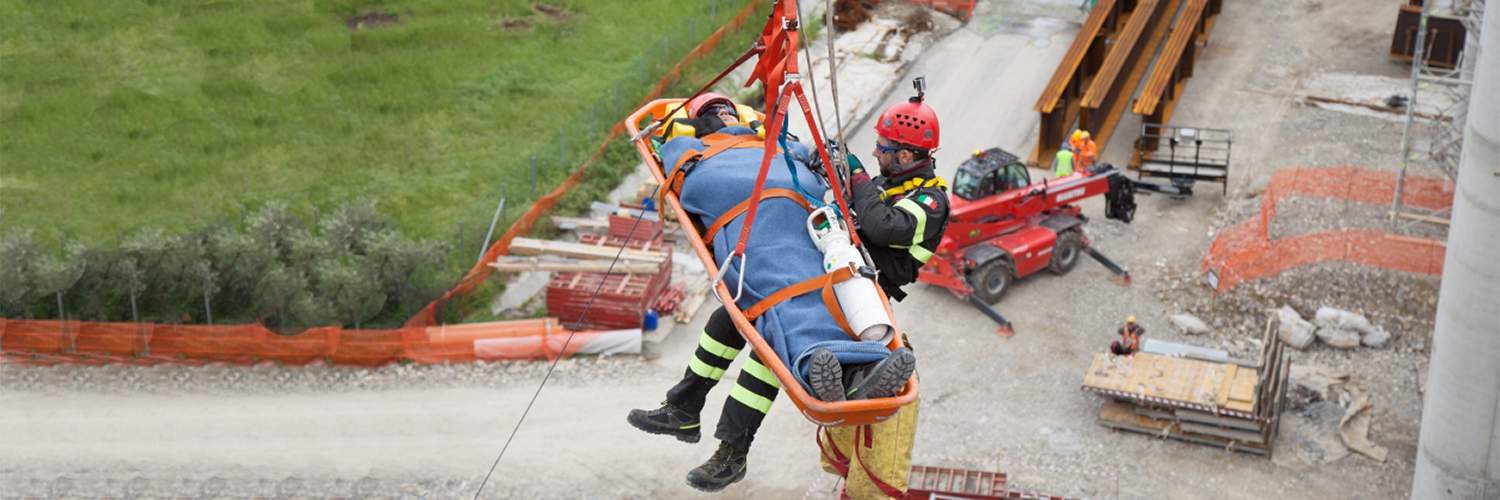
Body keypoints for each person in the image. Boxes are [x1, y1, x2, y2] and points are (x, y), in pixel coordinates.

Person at [628, 91, 948, 493]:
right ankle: (684, 406)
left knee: (772, 342)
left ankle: (732, 451)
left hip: (859, 288)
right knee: (730, 315)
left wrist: (853, 171)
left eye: (882, 148)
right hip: (825, 262)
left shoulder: (930, 200)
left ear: (904, 156)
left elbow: (880, 225)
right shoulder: (890, 179)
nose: (875, 151)